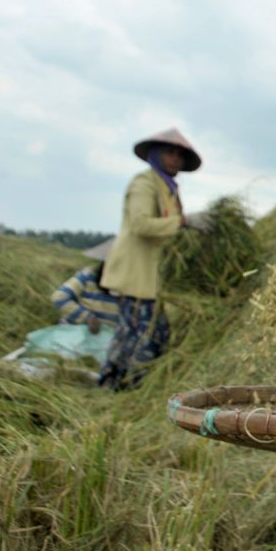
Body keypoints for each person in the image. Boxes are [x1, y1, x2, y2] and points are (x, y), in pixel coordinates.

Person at [96, 127, 202, 391]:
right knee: (135, 335)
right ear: (156, 154)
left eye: (179, 155)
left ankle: (131, 384)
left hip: (151, 276)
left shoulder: (168, 188)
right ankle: (116, 385)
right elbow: (141, 224)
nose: (175, 159)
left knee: (156, 333)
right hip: (135, 274)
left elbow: (170, 225)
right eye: (170, 153)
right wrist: (184, 222)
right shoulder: (144, 183)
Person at [50, 249, 119, 334]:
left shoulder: (133, 288)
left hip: (106, 341)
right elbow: (60, 298)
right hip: (76, 336)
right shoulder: (89, 276)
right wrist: (87, 318)